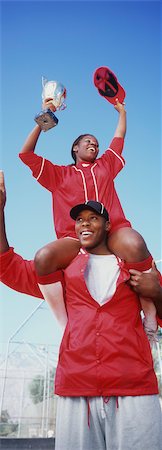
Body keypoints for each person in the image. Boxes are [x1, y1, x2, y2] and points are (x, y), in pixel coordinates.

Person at [0, 177, 162, 450]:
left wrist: (157, 293)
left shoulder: (134, 265)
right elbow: (8, 268)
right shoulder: (63, 271)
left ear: (108, 225)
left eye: (93, 217)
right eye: (79, 219)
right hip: (77, 388)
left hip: (133, 387)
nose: (85, 223)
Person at [18, 97, 157, 337]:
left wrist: (122, 112)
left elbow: (119, 138)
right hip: (74, 238)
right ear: (75, 148)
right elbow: (26, 154)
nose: (93, 144)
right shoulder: (59, 175)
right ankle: (66, 328)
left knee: (134, 242)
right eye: (87, 141)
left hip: (112, 232)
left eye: (95, 143)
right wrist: (45, 117)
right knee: (44, 257)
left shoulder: (106, 165)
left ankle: (151, 317)